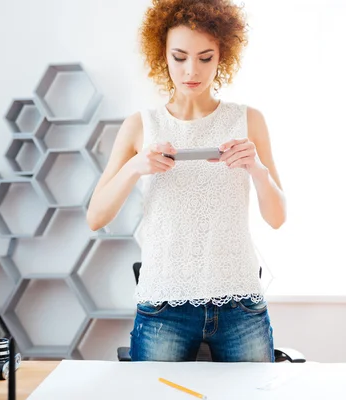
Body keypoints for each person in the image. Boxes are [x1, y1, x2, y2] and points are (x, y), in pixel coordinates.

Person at [86, 0, 286, 362]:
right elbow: (95, 217)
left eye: (205, 57)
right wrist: (135, 167)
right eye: (179, 57)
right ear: (162, 54)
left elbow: (277, 217)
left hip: (240, 304)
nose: (191, 69)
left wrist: (256, 169)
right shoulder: (139, 125)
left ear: (222, 54)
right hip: (164, 308)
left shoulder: (249, 121)